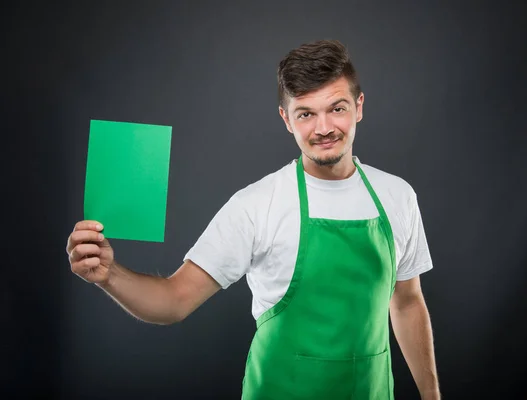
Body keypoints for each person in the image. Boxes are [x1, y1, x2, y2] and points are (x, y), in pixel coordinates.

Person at [66, 39, 440, 399]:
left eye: (337, 108)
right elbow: (174, 300)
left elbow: (407, 302)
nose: (323, 128)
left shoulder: (398, 197)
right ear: (286, 119)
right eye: (306, 114)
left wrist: (432, 395)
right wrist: (109, 275)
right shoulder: (256, 205)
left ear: (359, 107)